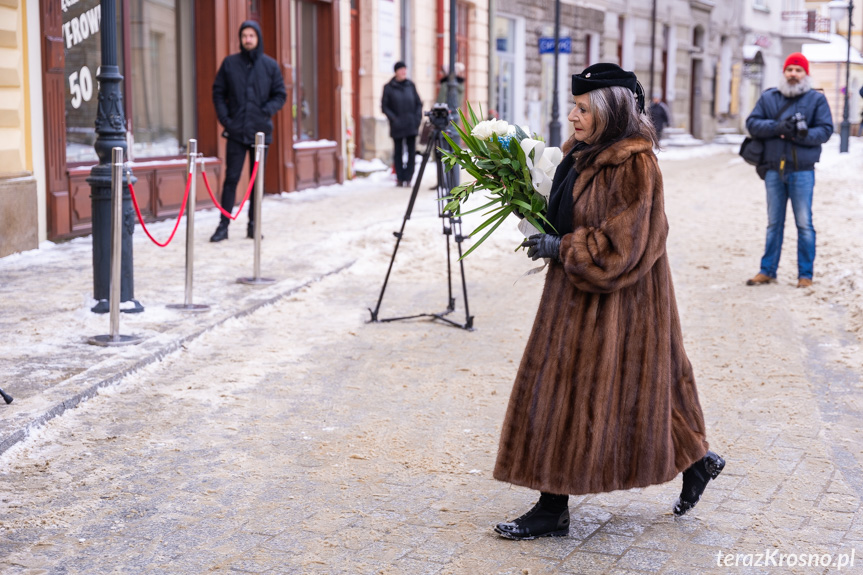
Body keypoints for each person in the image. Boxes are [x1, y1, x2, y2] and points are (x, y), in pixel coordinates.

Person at [492, 63, 724, 541]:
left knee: (587, 395)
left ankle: (551, 507)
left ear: (608, 110)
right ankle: (696, 462)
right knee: (628, 394)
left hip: (619, 305)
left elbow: (626, 246)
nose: (572, 116)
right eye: (572, 107)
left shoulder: (635, 163)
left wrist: (564, 249)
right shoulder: (581, 151)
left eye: (582, 108)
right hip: (575, 298)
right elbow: (563, 208)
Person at [744, 53, 832, 288]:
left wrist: (801, 134)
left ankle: (805, 275)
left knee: (804, 224)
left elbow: (825, 130)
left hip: (802, 171)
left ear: (806, 74)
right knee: (774, 224)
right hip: (773, 169)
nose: (793, 74)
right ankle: (767, 270)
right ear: (784, 72)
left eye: (798, 70)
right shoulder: (769, 97)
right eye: (790, 69)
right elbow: (752, 123)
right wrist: (778, 126)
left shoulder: (816, 100)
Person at [210, 20, 286, 242]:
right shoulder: (229, 64)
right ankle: (223, 226)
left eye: (252, 35)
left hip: (261, 133)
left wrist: (265, 111)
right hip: (236, 132)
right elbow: (218, 93)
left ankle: (254, 225)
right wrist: (226, 120)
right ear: (240, 39)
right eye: (244, 36)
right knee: (231, 179)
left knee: (256, 182)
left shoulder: (270, 66)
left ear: (258, 38)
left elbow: (280, 94)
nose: (248, 39)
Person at [381, 61, 423, 187]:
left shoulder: (411, 85)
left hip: (411, 124)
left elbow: (418, 103)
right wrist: (394, 119)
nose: (404, 71)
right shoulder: (388, 87)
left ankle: (409, 177)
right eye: (401, 69)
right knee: (398, 152)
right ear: (396, 72)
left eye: (405, 69)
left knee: (411, 152)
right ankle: (400, 178)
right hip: (397, 125)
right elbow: (384, 106)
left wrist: (417, 119)